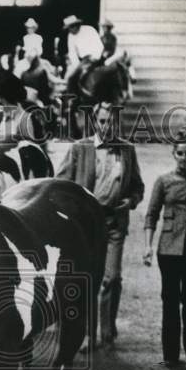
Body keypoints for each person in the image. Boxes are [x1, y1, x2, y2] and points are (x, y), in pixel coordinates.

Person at [56, 101, 144, 346]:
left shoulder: (126, 150)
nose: (107, 127)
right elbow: (61, 184)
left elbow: (138, 186)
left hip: (115, 220)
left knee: (112, 277)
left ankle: (107, 328)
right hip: (87, 225)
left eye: (112, 122)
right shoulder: (80, 148)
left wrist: (131, 200)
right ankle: (87, 333)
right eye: (103, 121)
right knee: (88, 277)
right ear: (95, 122)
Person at [143, 134, 186, 366]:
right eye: (180, 153)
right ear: (173, 154)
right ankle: (170, 355)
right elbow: (152, 214)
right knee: (169, 300)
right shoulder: (163, 181)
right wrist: (148, 246)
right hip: (168, 249)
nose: (184, 158)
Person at [63, 14, 104, 78]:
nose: (70, 30)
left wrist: (95, 58)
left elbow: (99, 46)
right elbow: (72, 53)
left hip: (96, 58)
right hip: (83, 61)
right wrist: (78, 67)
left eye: (71, 27)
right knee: (69, 76)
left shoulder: (90, 30)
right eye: (68, 28)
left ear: (76, 25)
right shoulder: (70, 36)